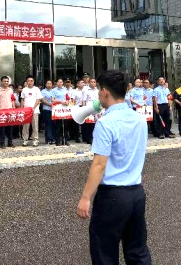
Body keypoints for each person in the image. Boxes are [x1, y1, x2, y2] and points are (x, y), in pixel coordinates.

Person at [77, 70, 152, 265]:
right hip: (136, 193)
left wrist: (86, 197)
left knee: (104, 252)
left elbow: (99, 164)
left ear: (104, 92)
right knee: (138, 251)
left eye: (99, 91)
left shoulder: (105, 123)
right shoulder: (140, 119)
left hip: (112, 196)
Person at [20, 75, 42, 147]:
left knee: (35, 126)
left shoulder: (37, 89)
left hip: (34, 111)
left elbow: (38, 99)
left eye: (31, 81)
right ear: (26, 82)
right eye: (28, 81)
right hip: (26, 111)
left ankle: (35, 140)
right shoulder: (24, 90)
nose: (30, 82)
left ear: (34, 81)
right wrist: (21, 109)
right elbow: (22, 100)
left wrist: (33, 107)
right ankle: (25, 140)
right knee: (25, 126)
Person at [0, 75, 15, 148]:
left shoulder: (10, 90)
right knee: (2, 129)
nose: (6, 82)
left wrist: (13, 108)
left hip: (10, 111)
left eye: (7, 81)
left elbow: (12, 99)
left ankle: (10, 142)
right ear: (1, 82)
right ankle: (2, 143)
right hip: (2, 112)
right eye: (5, 81)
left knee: (10, 128)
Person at [52, 78, 69, 146]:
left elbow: (67, 98)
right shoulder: (54, 90)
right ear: (56, 83)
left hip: (65, 109)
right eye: (58, 82)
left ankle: (65, 140)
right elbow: (53, 100)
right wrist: (61, 102)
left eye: (61, 82)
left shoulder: (65, 89)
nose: (60, 83)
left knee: (65, 125)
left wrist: (67, 102)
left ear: (62, 83)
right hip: (57, 109)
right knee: (58, 126)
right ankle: (58, 141)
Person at [82, 78, 99, 144]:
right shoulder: (86, 90)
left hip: (96, 108)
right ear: (89, 83)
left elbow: (99, 99)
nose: (93, 83)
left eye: (94, 82)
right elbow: (84, 100)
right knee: (89, 124)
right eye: (91, 82)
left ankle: (94, 137)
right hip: (88, 108)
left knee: (95, 123)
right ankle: (88, 138)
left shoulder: (97, 91)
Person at [71, 79, 86, 143]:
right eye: (81, 82)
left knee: (84, 123)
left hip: (84, 107)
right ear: (78, 84)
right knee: (76, 124)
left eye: (83, 83)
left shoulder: (85, 90)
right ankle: (77, 137)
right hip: (77, 107)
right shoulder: (74, 91)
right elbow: (72, 100)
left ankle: (85, 137)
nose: (83, 84)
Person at [41, 80, 54, 145]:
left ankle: (53, 138)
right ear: (45, 84)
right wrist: (50, 104)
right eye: (48, 83)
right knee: (48, 124)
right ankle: (48, 139)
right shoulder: (43, 91)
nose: (49, 85)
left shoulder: (54, 91)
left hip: (54, 110)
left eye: (50, 83)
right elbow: (42, 100)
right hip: (46, 109)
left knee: (53, 124)